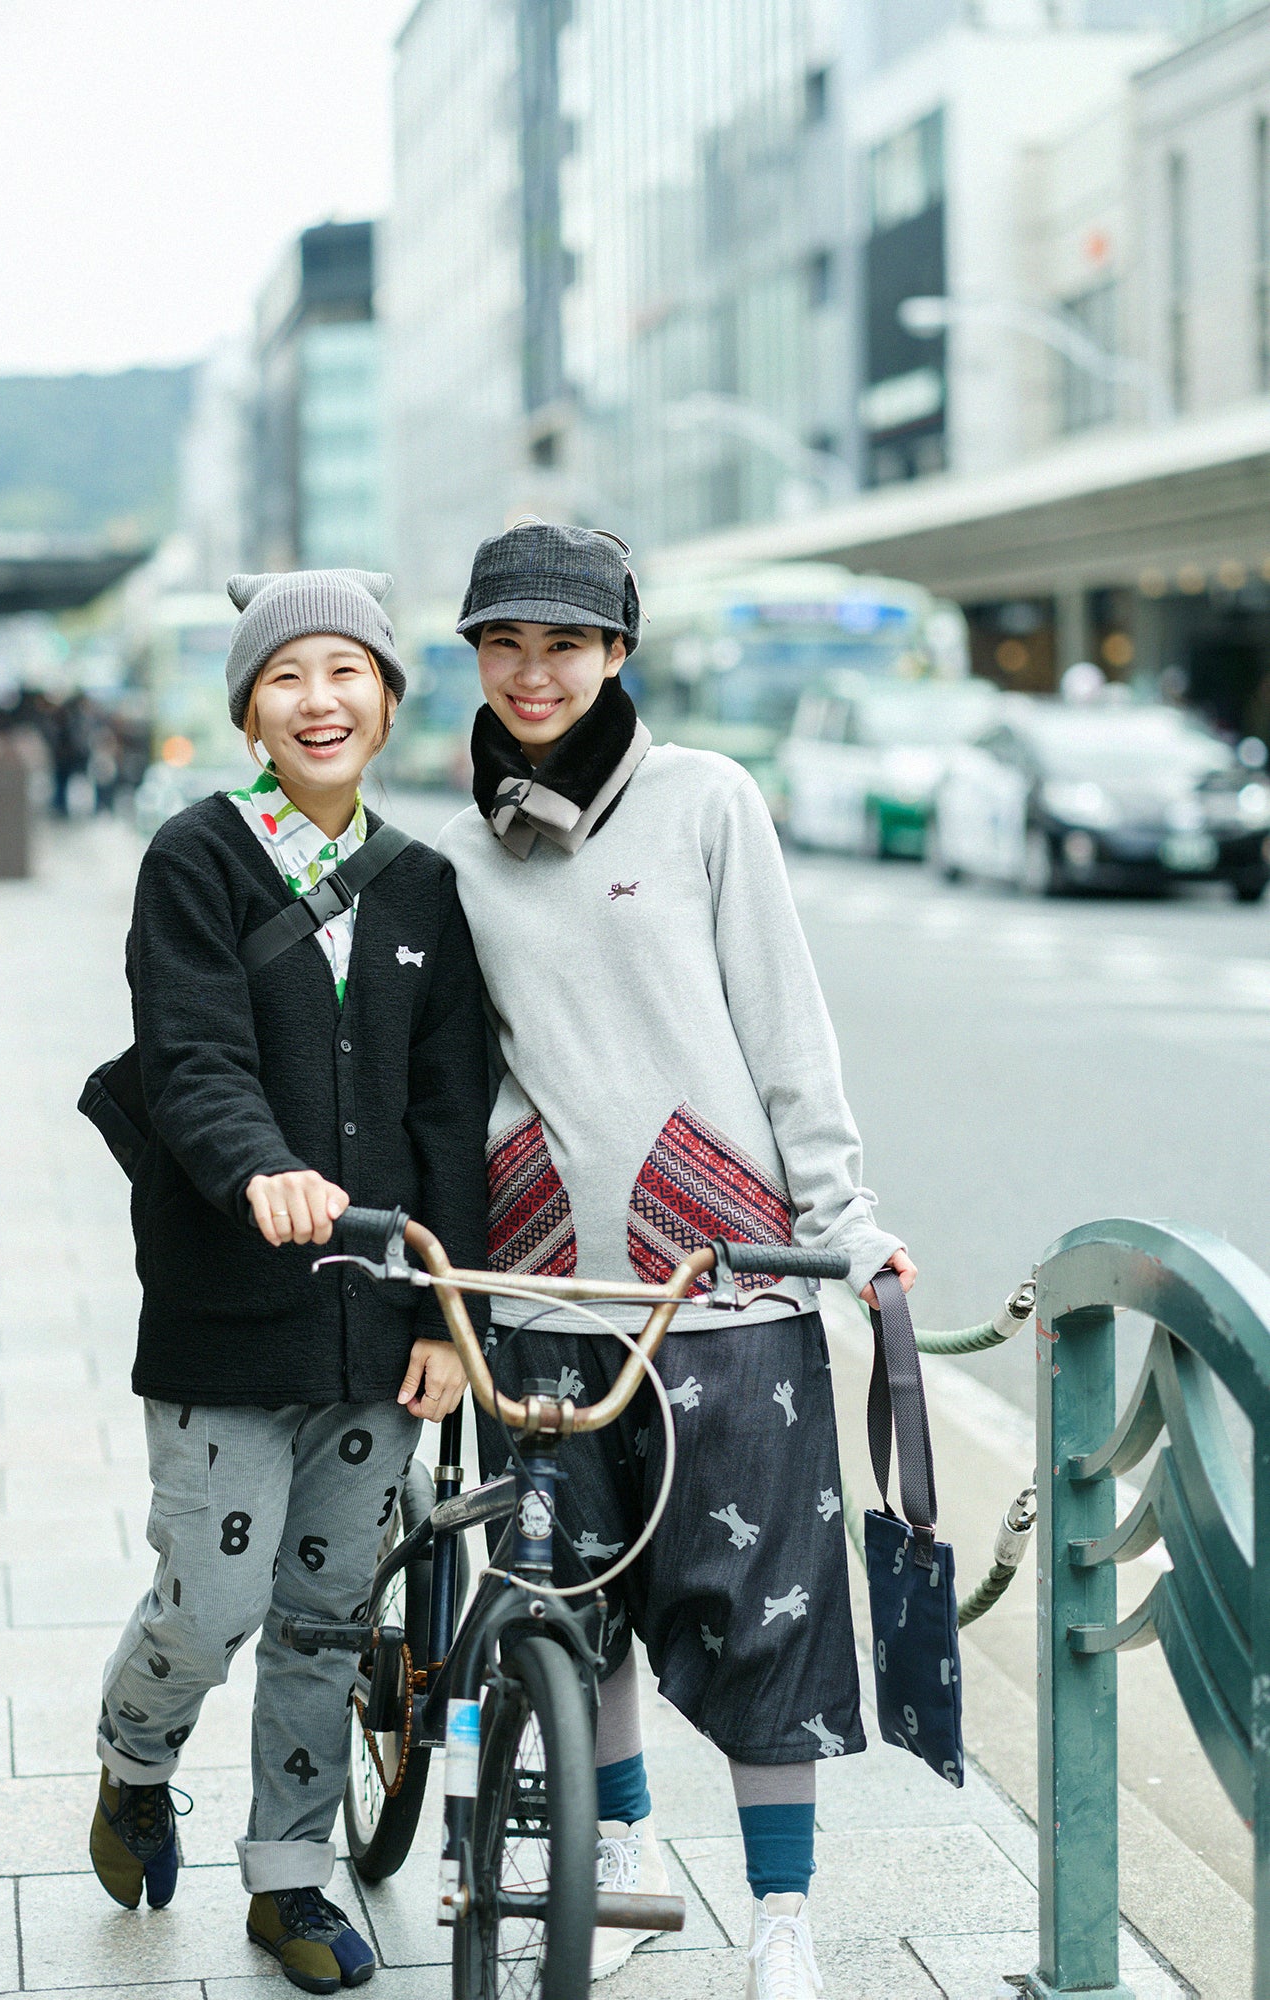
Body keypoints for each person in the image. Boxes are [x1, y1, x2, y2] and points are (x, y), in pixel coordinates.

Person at [436, 521, 916, 2000]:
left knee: (766, 1609)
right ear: (473, 657)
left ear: (617, 654)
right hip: (538, 1292)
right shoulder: (450, 851)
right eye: (504, 644)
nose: (533, 673)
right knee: (569, 1597)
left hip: (724, 1287)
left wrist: (844, 1228)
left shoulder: (707, 801)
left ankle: (782, 1920)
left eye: (564, 644)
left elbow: (785, 1030)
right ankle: (621, 1843)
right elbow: (439, 1079)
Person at [89, 568, 488, 1994]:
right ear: (250, 709)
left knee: (326, 1620)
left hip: (380, 1327)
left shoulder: (425, 885)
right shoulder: (193, 860)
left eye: (345, 674)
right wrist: (257, 1164)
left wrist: (453, 1313)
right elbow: (190, 1050)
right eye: (285, 678)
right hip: (224, 1316)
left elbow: (451, 1114)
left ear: (387, 695)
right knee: (214, 1594)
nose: (319, 702)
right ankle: (136, 1758)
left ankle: (290, 1880)